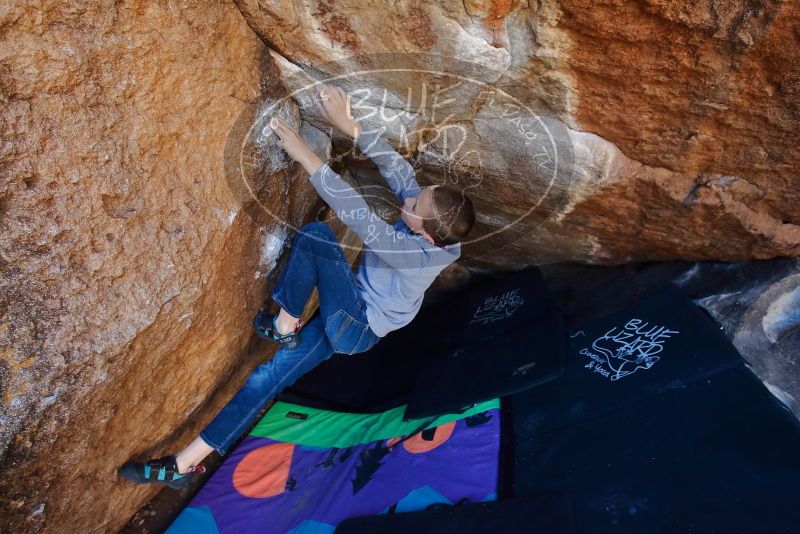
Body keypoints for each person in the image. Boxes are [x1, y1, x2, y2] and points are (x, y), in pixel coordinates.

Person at [118, 84, 476, 488]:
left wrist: (305, 155)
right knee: (266, 378)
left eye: (415, 207)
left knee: (318, 237)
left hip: (356, 324)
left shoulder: (415, 254)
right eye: (419, 198)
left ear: (428, 237)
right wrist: (350, 126)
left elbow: (358, 215)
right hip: (354, 313)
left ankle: (285, 325)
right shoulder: (435, 223)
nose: (408, 201)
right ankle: (182, 466)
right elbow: (400, 172)